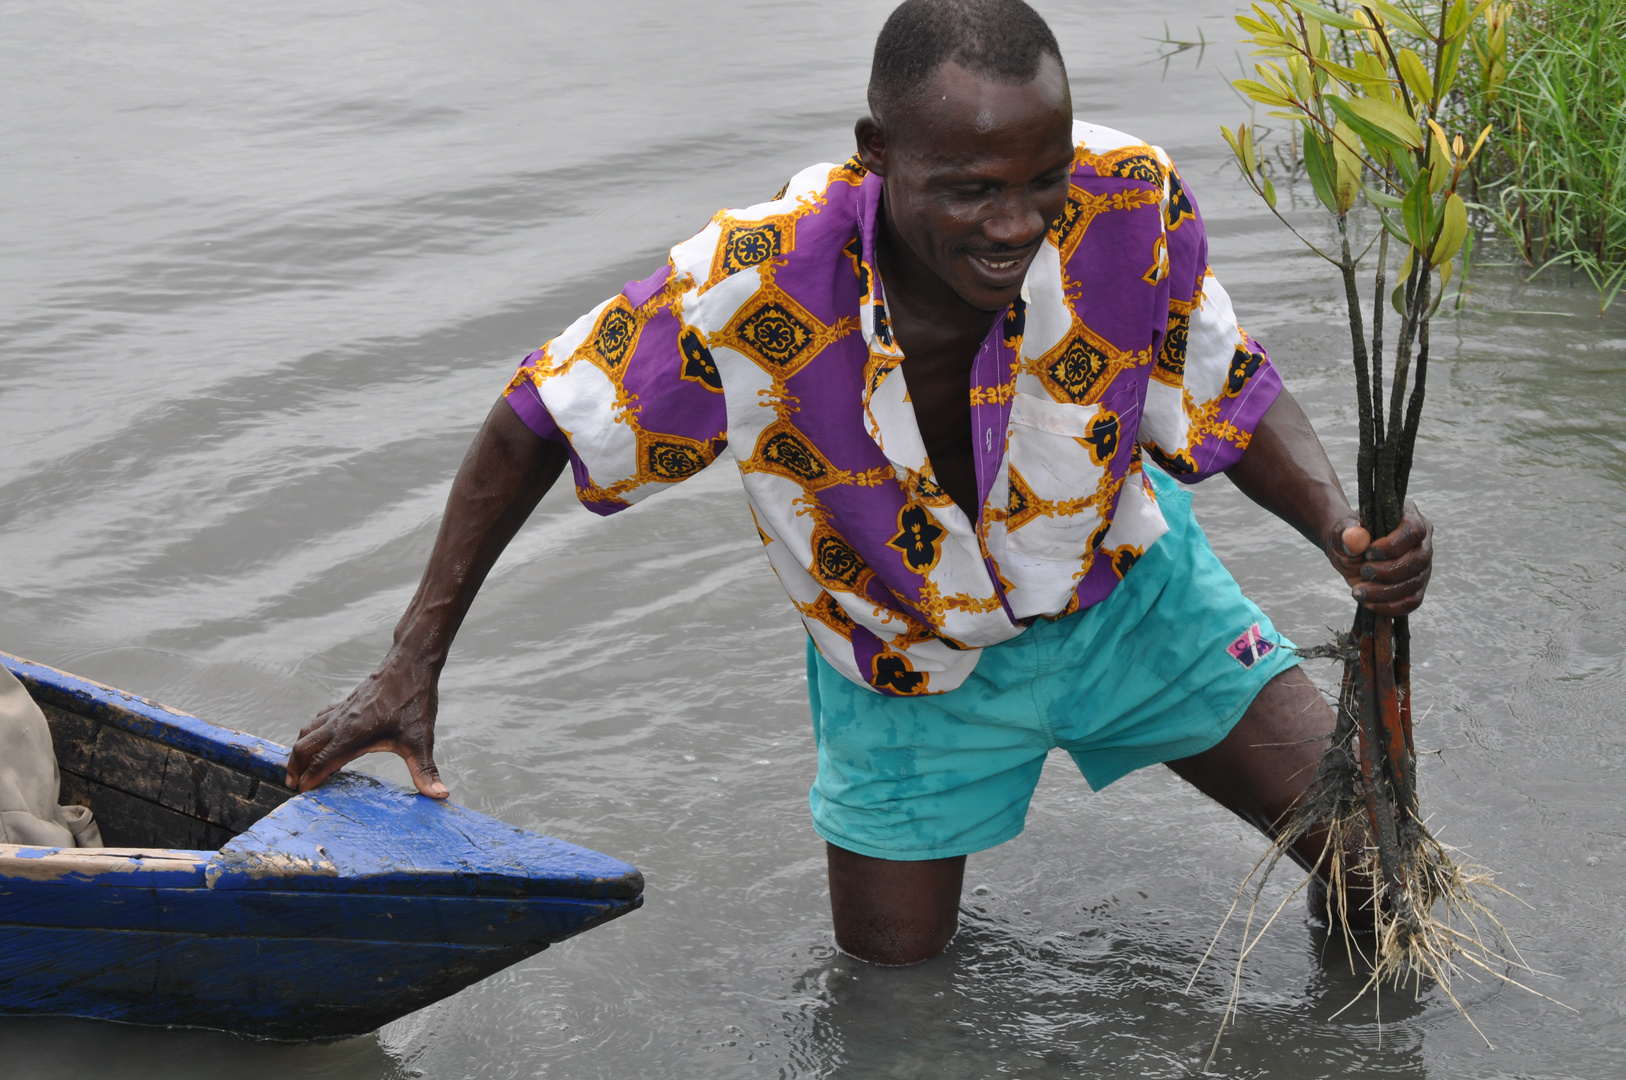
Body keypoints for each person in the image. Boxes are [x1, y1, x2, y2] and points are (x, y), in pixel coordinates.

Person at [286, 0, 1432, 966]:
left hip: (1128, 594)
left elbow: (1229, 381)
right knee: (894, 1007)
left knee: (1384, 876)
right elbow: (540, 415)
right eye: (970, 189)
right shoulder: (754, 287)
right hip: (903, 660)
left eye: (1041, 177)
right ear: (875, 153)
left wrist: (1341, 526)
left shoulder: (1129, 201)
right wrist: (411, 659)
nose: (1016, 224)